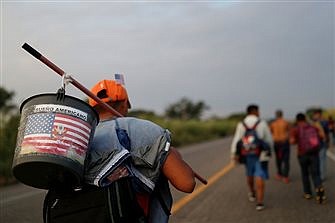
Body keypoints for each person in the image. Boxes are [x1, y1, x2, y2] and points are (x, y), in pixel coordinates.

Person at [86, 79, 196, 222]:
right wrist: (171, 152)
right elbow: (186, 183)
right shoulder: (148, 130)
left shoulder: (81, 135)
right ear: (124, 104)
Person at [231, 104, 273, 211]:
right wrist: (270, 151)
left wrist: (234, 154)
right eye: (258, 111)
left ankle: (252, 192)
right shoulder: (262, 123)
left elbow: (237, 140)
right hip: (261, 154)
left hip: (247, 154)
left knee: (249, 174)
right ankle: (260, 202)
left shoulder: (241, 124)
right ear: (254, 111)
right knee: (260, 175)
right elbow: (268, 139)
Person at [289, 113, 326, 204]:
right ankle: (319, 187)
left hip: (302, 154)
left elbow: (292, 141)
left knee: (305, 173)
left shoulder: (296, 128)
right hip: (314, 153)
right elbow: (322, 136)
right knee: (316, 173)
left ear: (297, 120)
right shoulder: (313, 126)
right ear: (305, 119)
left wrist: (298, 140)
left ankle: (308, 193)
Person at [270, 110, 291, 183]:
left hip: (276, 143)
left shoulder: (273, 124)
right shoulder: (286, 122)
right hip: (284, 142)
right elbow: (289, 131)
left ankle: (279, 173)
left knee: (278, 159)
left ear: (276, 115)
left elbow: (271, 132)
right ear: (282, 115)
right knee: (286, 160)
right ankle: (285, 176)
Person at [311, 109, 328, 181]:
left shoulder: (313, 123)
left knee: (320, 160)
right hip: (318, 144)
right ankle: (320, 176)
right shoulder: (322, 122)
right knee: (320, 160)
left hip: (318, 144)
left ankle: (320, 176)